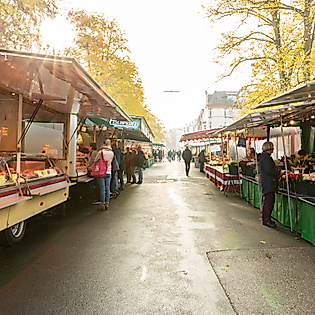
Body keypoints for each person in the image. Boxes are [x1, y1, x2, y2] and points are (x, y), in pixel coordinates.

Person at [257, 141, 280, 228]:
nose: (273, 150)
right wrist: (277, 172)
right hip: (268, 181)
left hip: (266, 181)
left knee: (268, 200)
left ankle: (266, 218)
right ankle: (266, 219)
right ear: (269, 149)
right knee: (268, 201)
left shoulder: (263, 157)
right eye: (272, 148)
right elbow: (269, 170)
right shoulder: (266, 158)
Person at [94, 139, 114, 211]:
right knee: (107, 188)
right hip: (109, 171)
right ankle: (107, 203)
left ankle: (102, 203)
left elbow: (95, 160)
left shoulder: (101, 152)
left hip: (101, 172)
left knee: (102, 189)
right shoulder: (112, 153)